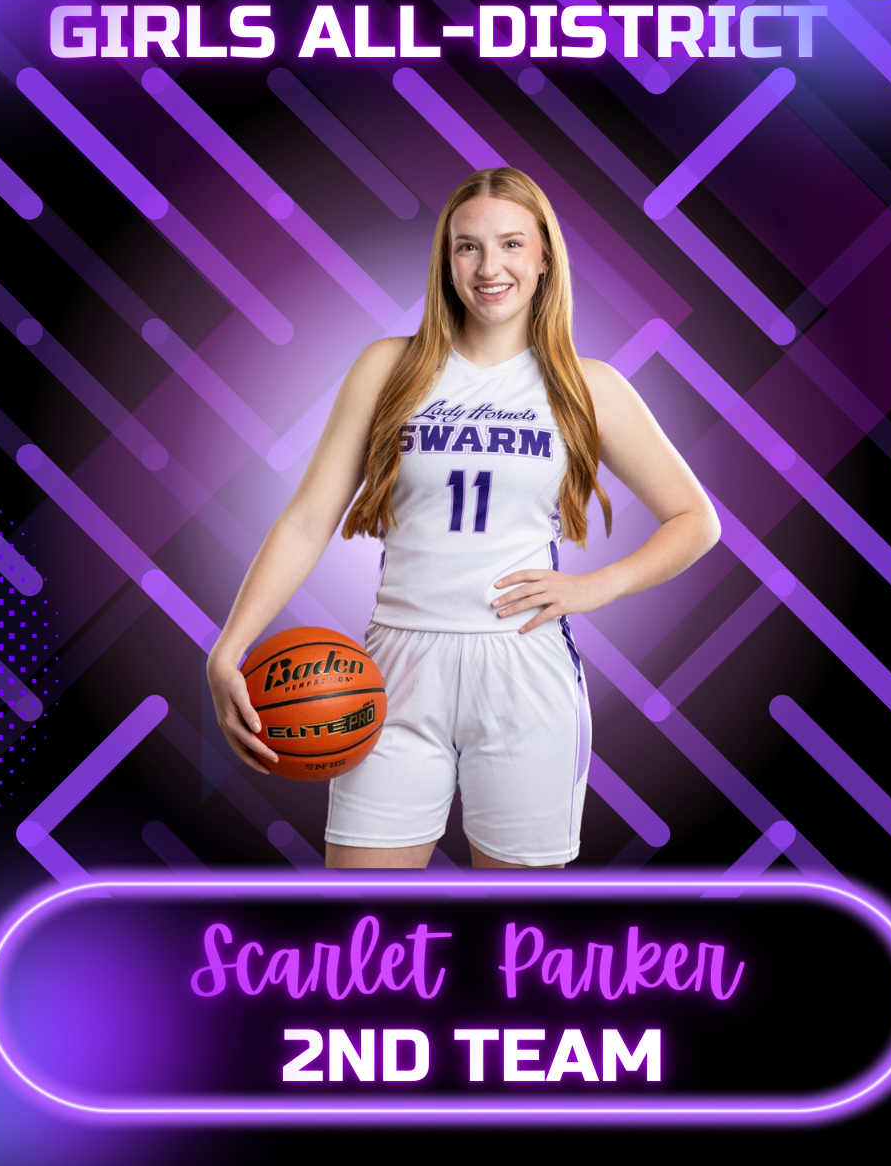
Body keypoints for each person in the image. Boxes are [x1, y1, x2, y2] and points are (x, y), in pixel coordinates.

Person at [207, 168, 719, 869]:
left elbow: (695, 519)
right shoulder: (390, 368)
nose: (489, 267)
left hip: (524, 667)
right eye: (467, 247)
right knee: (360, 932)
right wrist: (227, 645)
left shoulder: (587, 385)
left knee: (515, 945)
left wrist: (598, 586)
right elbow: (307, 519)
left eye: (511, 244)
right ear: (446, 262)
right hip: (390, 668)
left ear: (544, 256)